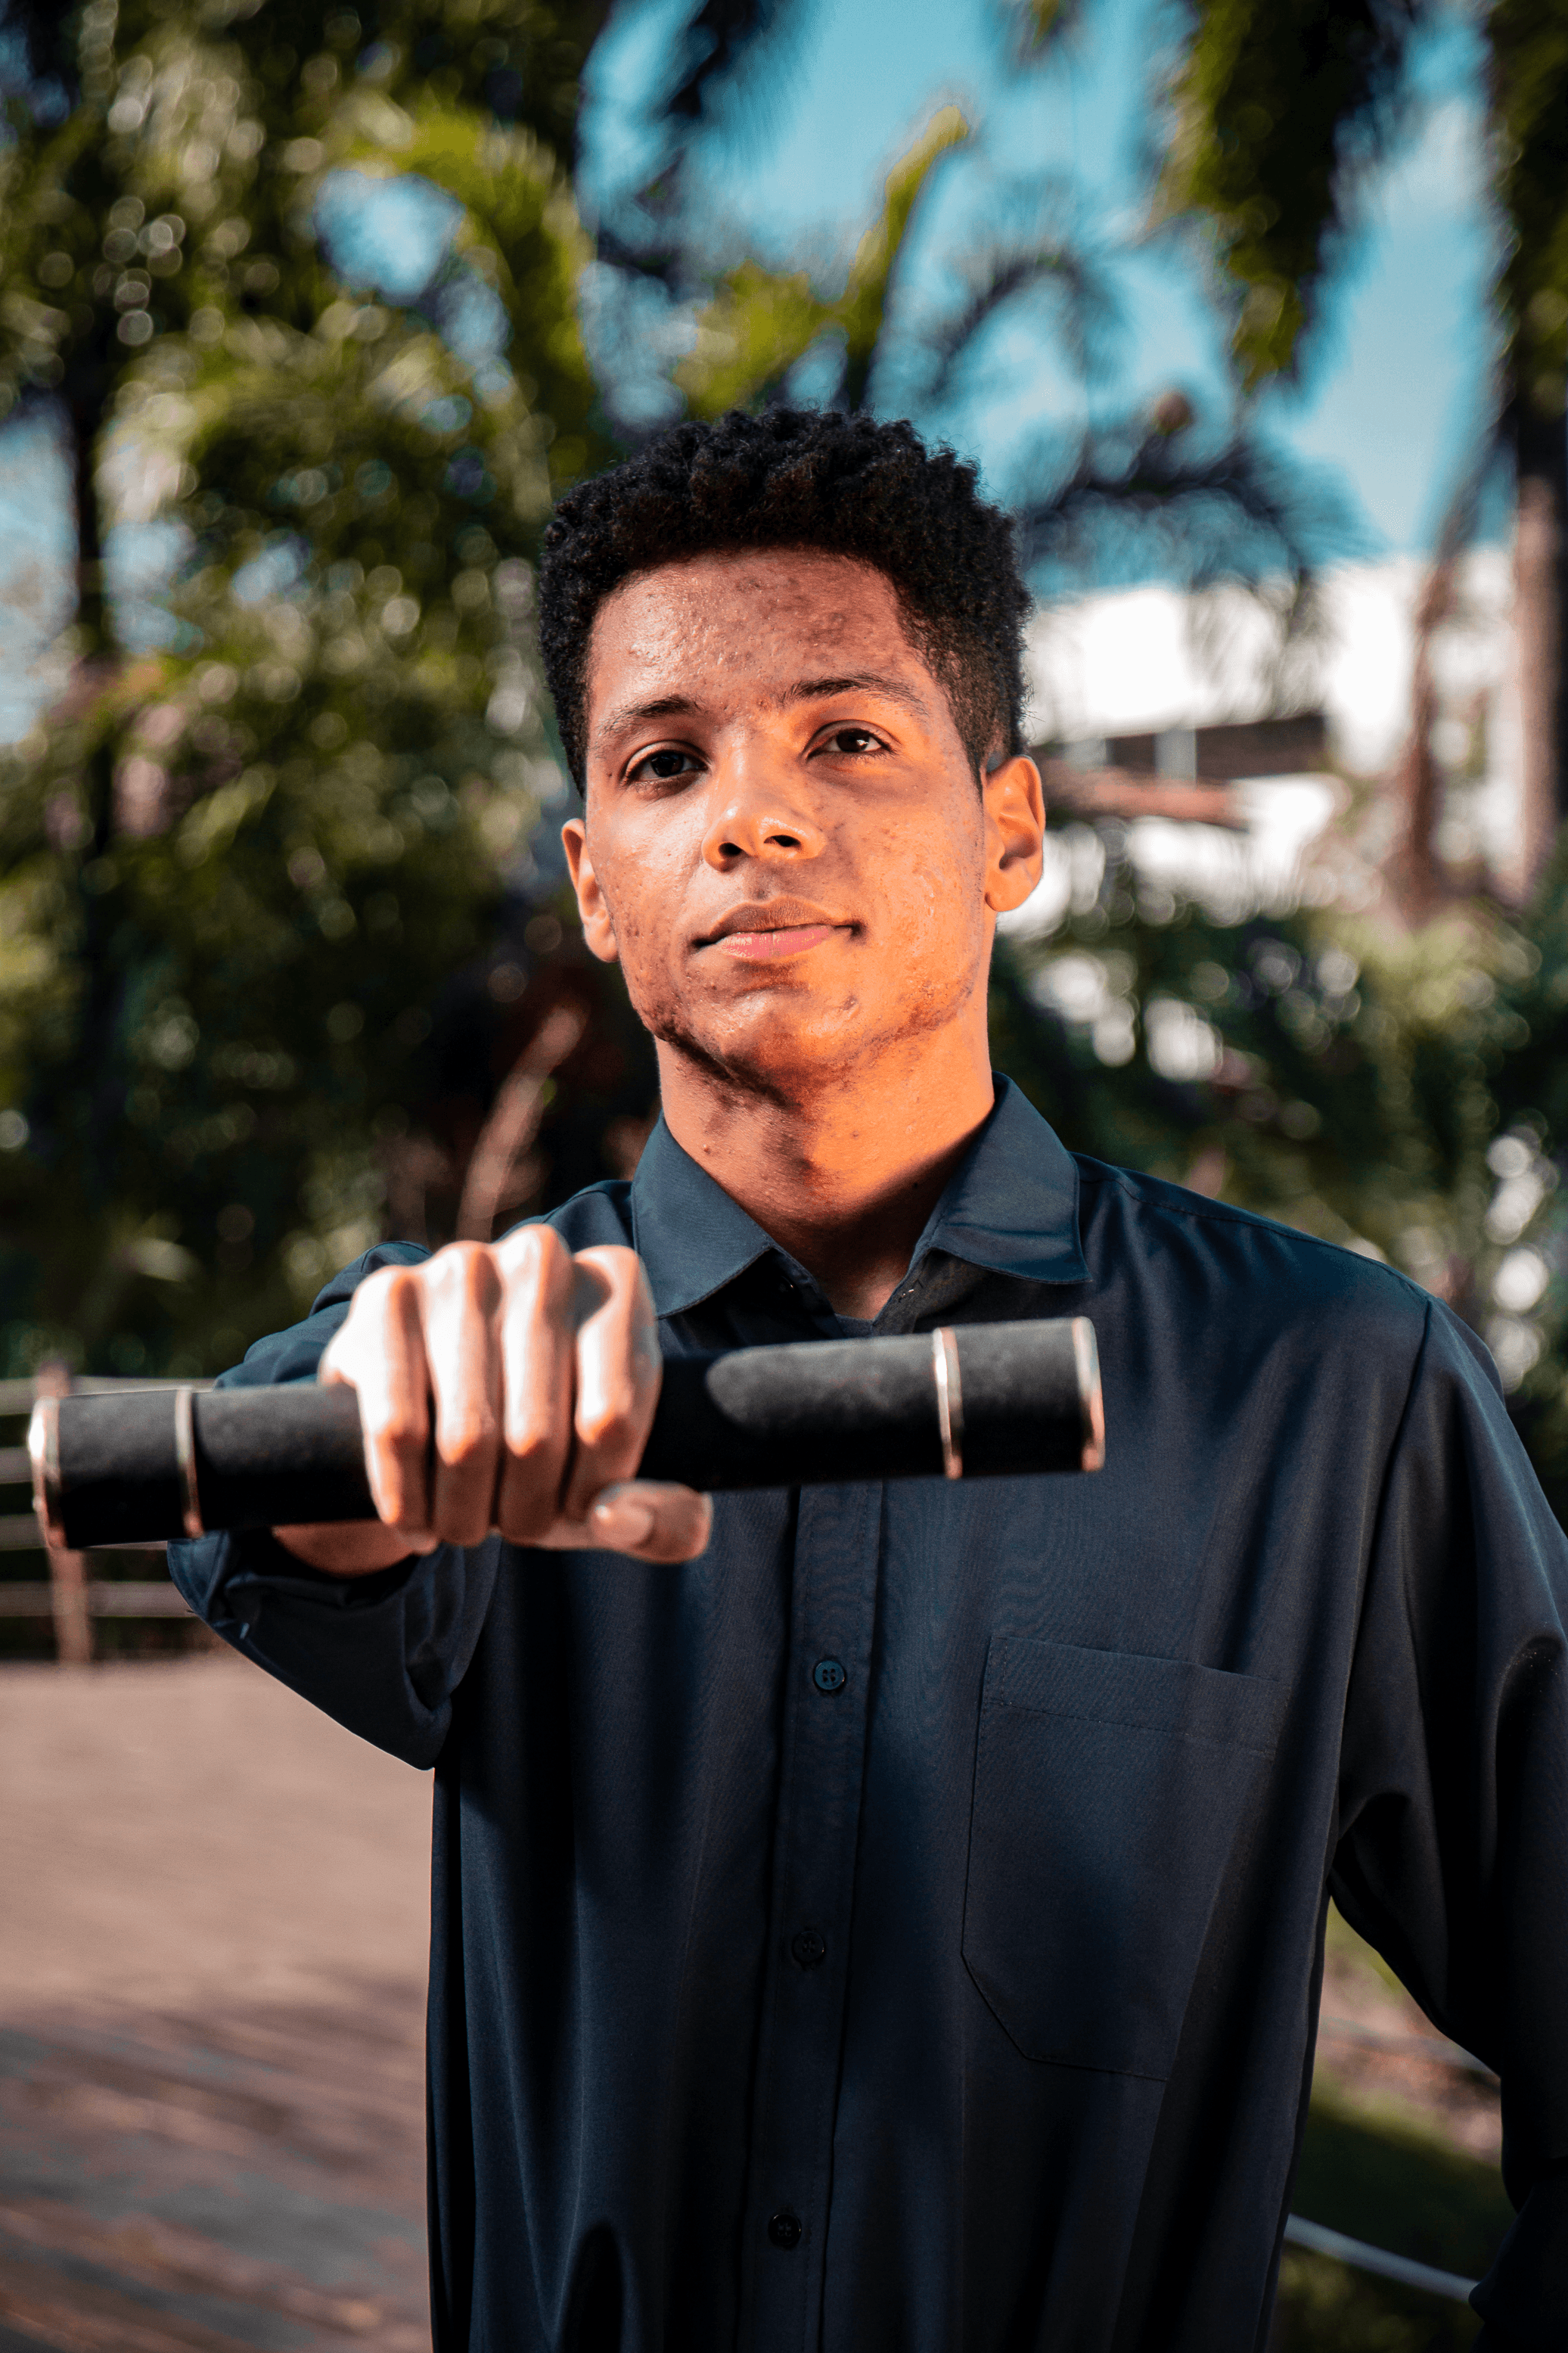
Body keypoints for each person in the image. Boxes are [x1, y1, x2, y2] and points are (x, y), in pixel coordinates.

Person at [169, 408, 1568, 2353]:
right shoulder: (481, 1348)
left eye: (845, 737)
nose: (751, 814)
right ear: (595, 878)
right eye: (668, 762)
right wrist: (357, 1461)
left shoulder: (1328, 1392)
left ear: (1006, 831)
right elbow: (281, 1504)